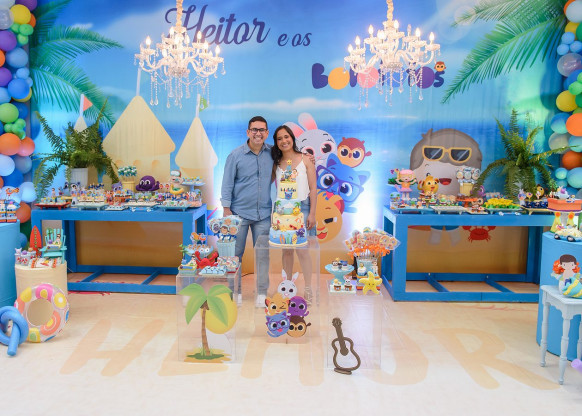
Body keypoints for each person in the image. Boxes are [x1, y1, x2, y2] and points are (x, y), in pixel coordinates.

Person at [221, 116, 273, 307]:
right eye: (254, 129)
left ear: (267, 133)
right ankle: (234, 292)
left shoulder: (273, 153)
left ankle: (261, 294)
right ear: (248, 132)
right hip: (238, 214)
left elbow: (290, 158)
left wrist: (307, 157)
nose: (258, 133)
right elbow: (227, 183)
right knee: (234, 255)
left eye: (262, 130)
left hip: (263, 215)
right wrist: (226, 209)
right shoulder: (235, 155)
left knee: (263, 255)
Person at [271, 125, 317, 303]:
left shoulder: (306, 159)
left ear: (292, 138)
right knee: (287, 251)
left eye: (286, 137)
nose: (284, 141)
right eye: (279, 139)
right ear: (276, 143)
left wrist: (312, 213)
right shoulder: (275, 163)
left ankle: (308, 288)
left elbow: (313, 188)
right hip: (283, 211)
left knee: (303, 251)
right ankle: (287, 287)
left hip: (303, 208)